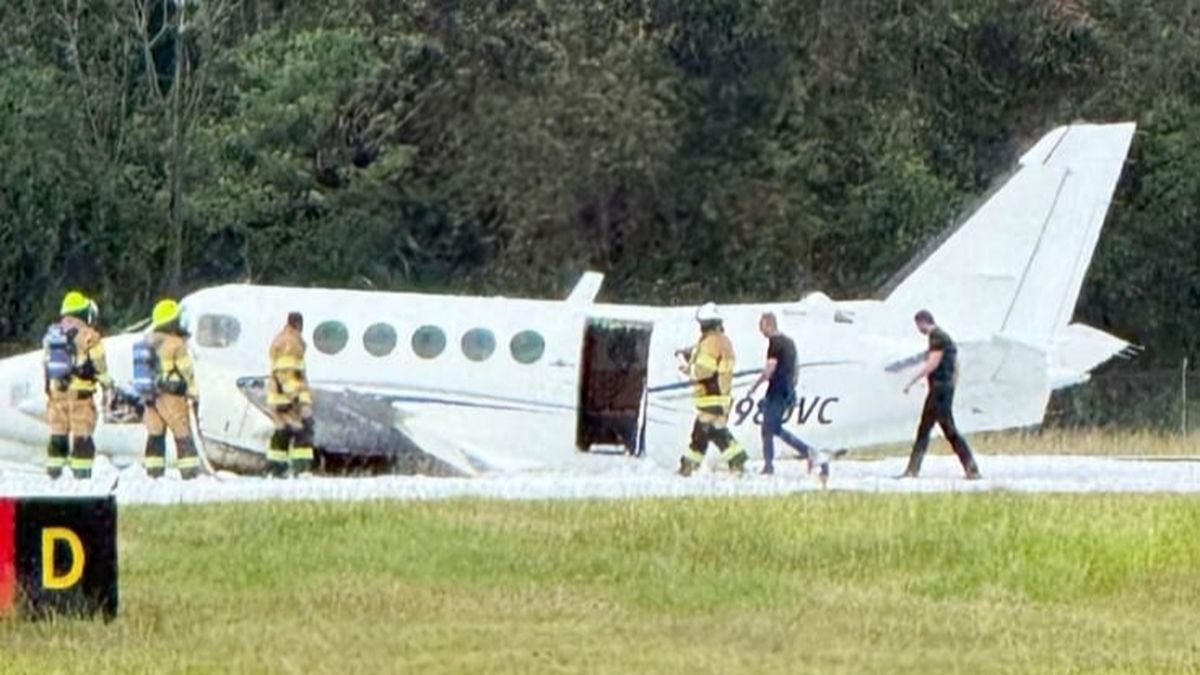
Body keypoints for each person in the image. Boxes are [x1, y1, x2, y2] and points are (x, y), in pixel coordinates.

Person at [747, 312, 828, 484]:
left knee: (772, 427)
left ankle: (809, 452)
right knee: (769, 428)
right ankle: (769, 464)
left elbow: (769, 370)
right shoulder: (789, 342)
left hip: (776, 389)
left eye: (762, 326)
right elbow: (796, 367)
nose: (760, 330)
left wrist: (754, 386)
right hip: (787, 389)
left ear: (769, 325)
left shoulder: (774, 344)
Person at [901, 310, 981, 479]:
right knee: (946, 430)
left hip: (938, 390)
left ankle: (912, 470)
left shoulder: (937, 337)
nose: (919, 329)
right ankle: (970, 467)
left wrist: (911, 381)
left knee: (927, 430)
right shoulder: (946, 338)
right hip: (945, 389)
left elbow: (933, 363)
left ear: (923, 322)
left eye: (918, 325)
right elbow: (955, 365)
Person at [43, 291, 112, 479]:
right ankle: (82, 475)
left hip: (57, 395)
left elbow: (46, 363)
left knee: (58, 434)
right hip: (80, 397)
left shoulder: (53, 334)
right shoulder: (90, 336)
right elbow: (99, 365)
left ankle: (54, 474)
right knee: (82, 436)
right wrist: (108, 385)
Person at [675, 302, 748, 477]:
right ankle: (735, 459)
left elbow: (704, 370)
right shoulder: (722, 340)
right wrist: (690, 353)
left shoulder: (711, 342)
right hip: (720, 395)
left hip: (710, 395)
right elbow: (705, 356)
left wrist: (688, 369)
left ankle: (689, 466)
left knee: (702, 432)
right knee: (712, 431)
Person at [140, 299, 202, 479]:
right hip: (171, 395)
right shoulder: (176, 344)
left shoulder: (148, 341)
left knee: (155, 434)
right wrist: (192, 391)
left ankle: (153, 472)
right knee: (182, 432)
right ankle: (189, 472)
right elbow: (186, 371)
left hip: (151, 395)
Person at [266, 312, 315, 477]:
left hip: (281, 397)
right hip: (288, 398)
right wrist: (297, 397)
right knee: (303, 430)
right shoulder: (290, 343)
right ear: (299, 325)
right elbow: (286, 372)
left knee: (283, 432)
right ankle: (300, 469)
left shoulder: (284, 340)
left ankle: (277, 469)